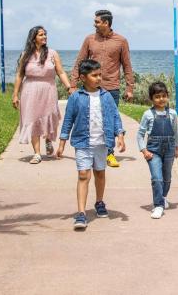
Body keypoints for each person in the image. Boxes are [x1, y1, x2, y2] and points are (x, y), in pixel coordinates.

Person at [57, 59, 126, 230]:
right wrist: (62, 143)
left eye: (99, 75)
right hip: (82, 142)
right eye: (94, 75)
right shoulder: (75, 98)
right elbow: (68, 121)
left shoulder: (106, 96)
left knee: (100, 174)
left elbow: (115, 116)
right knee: (83, 175)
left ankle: (99, 202)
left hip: (102, 143)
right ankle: (81, 213)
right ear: (82, 77)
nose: (98, 78)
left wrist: (120, 135)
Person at [69, 9, 134, 168]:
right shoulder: (89, 39)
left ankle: (109, 153)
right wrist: (73, 84)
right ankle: (89, 151)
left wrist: (129, 88)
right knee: (90, 119)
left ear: (106, 23)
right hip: (90, 87)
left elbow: (127, 66)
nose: (94, 24)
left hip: (111, 87)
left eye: (97, 21)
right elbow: (80, 62)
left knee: (110, 121)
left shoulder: (121, 41)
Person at [12, 26, 72, 164]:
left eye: (45, 34)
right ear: (33, 38)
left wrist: (69, 87)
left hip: (48, 89)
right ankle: (37, 154)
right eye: (41, 35)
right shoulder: (25, 55)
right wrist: (15, 94)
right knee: (32, 120)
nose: (44, 37)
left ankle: (49, 140)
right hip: (29, 90)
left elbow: (61, 72)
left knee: (49, 117)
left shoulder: (52, 53)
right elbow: (20, 75)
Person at [136, 81, 178, 219]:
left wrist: (177, 147)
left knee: (167, 178)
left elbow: (176, 131)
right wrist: (144, 150)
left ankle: (164, 197)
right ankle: (158, 206)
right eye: (157, 97)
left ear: (167, 96)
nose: (161, 99)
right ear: (151, 99)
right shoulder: (147, 114)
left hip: (169, 149)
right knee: (157, 178)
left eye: (164, 96)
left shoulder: (172, 113)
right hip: (153, 150)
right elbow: (140, 134)